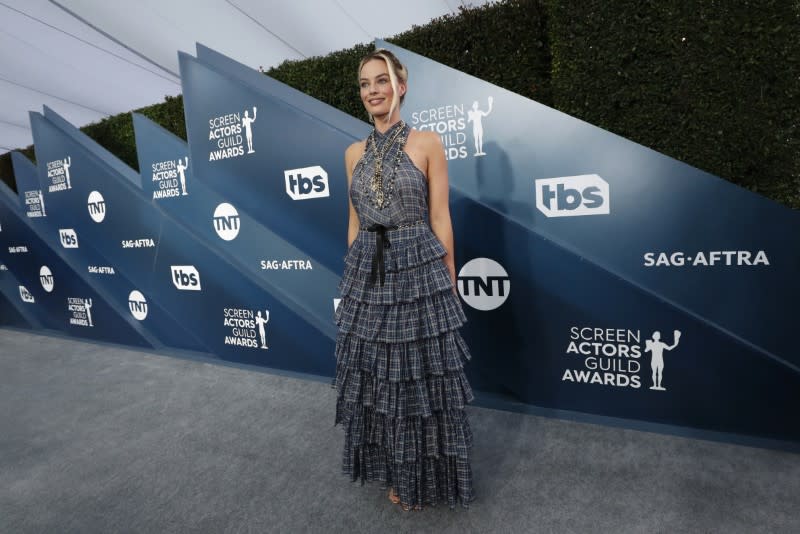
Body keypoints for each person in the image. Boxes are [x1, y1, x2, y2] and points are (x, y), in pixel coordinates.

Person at [333, 49, 475, 510]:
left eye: (381, 80)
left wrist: (448, 280)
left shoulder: (428, 142)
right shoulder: (353, 153)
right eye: (364, 83)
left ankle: (426, 479)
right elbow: (354, 221)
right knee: (379, 383)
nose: (372, 90)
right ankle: (394, 472)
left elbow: (440, 216)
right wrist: (352, 276)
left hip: (417, 272)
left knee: (416, 383)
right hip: (368, 274)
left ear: (402, 85)